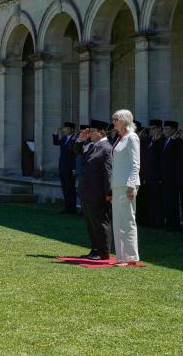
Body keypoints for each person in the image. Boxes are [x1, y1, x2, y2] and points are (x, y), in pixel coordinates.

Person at [74, 120, 112, 260]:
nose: (89, 134)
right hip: (87, 191)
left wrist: (108, 192)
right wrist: (80, 139)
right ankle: (95, 249)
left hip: (98, 192)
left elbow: (108, 172)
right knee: (91, 222)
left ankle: (103, 251)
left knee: (101, 221)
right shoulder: (92, 145)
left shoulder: (106, 148)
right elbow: (77, 151)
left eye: (92, 131)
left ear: (101, 132)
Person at [110, 109, 141, 266]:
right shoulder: (120, 139)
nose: (114, 121)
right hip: (117, 184)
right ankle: (121, 256)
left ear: (125, 120)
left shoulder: (132, 137)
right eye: (113, 119)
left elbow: (136, 164)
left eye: (116, 119)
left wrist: (131, 185)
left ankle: (130, 257)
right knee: (118, 221)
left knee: (127, 221)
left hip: (126, 185)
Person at [141, 119, 164, 228]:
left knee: (156, 201)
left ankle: (158, 222)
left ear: (160, 129)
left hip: (156, 177)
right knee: (147, 200)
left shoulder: (162, 141)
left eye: (154, 128)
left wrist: (156, 141)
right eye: (150, 129)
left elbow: (161, 159)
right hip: (147, 176)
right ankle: (149, 221)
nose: (151, 131)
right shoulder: (148, 140)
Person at [53, 122, 77, 214]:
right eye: (64, 128)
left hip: (70, 168)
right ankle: (67, 207)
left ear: (71, 129)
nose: (64, 130)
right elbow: (56, 142)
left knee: (70, 188)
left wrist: (74, 168)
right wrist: (56, 133)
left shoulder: (74, 139)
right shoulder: (64, 138)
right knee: (64, 187)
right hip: (62, 166)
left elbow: (75, 155)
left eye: (66, 128)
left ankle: (72, 207)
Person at [161, 120, 181, 231]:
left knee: (173, 202)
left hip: (173, 177)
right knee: (167, 200)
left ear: (173, 129)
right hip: (165, 177)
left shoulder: (177, 142)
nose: (165, 131)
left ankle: (174, 224)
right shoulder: (166, 141)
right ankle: (169, 222)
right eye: (164, 129)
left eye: (167, 129)